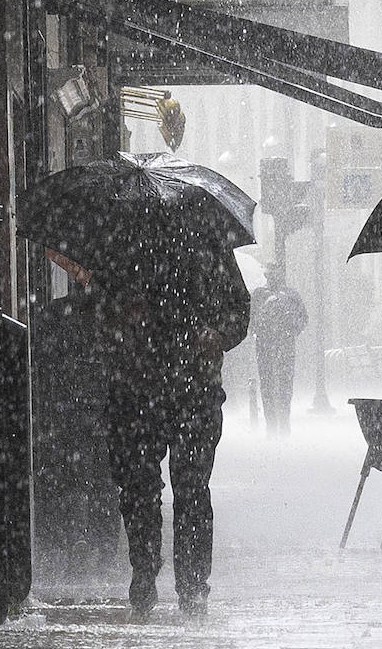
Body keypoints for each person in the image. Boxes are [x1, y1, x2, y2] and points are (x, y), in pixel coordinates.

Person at [100, 234, 250, 619]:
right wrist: (122, 315)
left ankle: (191, 586)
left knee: (189, 491)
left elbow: (238, 309)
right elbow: (100, 310)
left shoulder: (206, 250)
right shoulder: (126, 250)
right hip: (143, 390)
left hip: (188, 390)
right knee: (142, 489)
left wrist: (217, 335)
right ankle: (147, 575)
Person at [250, 262, 308, 437]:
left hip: (283, 344)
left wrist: (291, 329)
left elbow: (303, 318)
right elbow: (251, 319)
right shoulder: (260, 295)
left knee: (283, 383)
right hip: (267, 344)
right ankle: (272, 424)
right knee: (268, 383)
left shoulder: (290, 295)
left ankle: (283, 421)